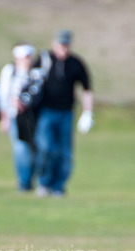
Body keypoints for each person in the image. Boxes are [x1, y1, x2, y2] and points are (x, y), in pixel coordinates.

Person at [34, 30, 94, 197]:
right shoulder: (44, 60)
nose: (64, 49)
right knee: (46, 148)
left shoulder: (76, 63)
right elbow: (30, 83)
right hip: (46, 112)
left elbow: (87, 88)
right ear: (54, 44)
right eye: (61, 45)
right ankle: (44, 183)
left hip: (66, 113)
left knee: (65, 152)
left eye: (66, 45)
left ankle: (58, 186)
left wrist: (88, 112)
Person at [0, 42, 44, 192]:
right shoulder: (10, 72)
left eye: (28, 57)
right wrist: (4, 117)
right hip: (16, 117)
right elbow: (3, 95)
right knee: (21, 149)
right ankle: (24, 182)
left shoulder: (37, 74)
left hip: (35, 117)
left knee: (37, 149)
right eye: (23, 58)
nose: (26, 60)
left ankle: (36, 179)